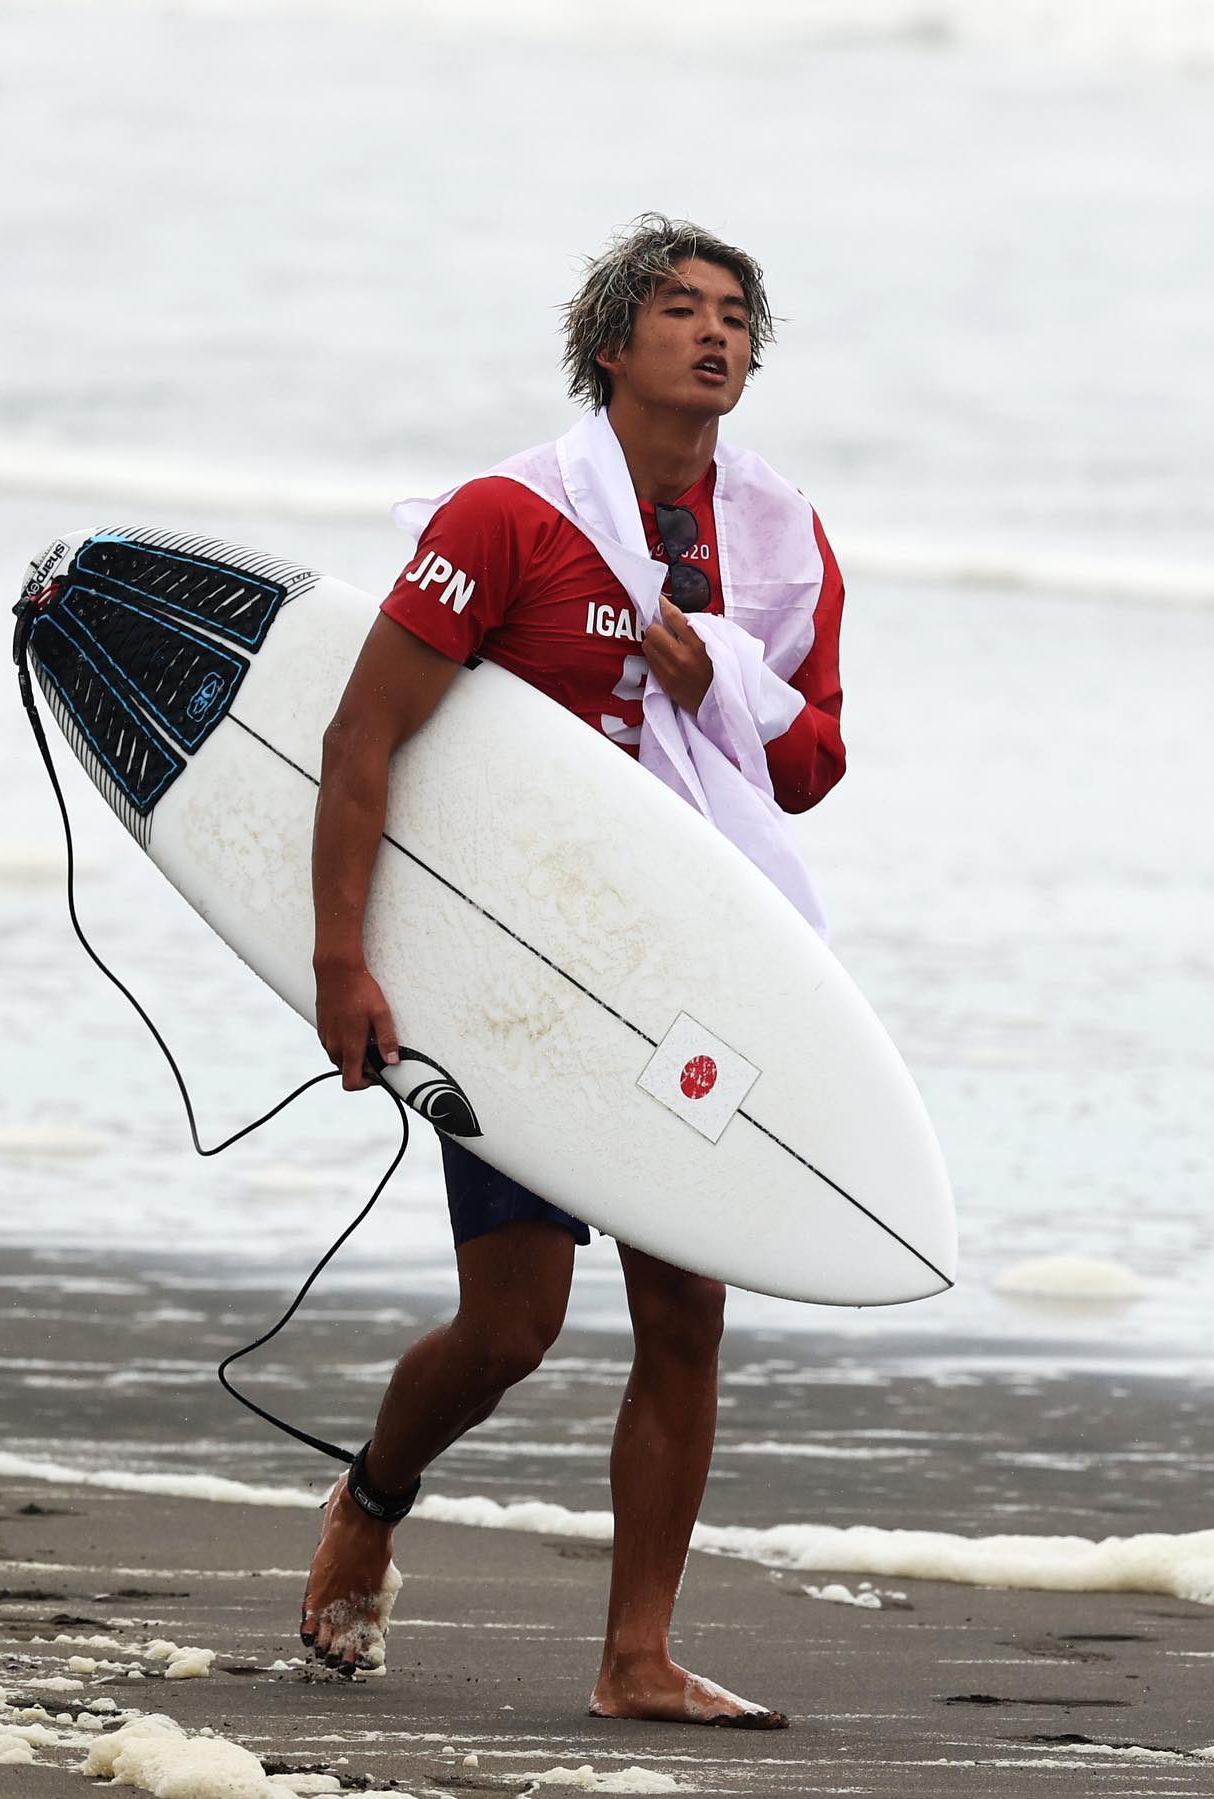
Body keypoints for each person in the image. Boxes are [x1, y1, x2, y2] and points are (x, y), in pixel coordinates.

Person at [301, 214, 846, 1728]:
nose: (716, 332)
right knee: (513, 1327)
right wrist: (342, 960)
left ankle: (635, 1660)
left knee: (688, 1314)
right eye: (680, 309)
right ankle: (376, 1493)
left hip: (686, 969)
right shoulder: (508, 520)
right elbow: (364, 738)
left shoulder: (783, 544)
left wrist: (716, 680)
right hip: (519, 977)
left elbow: (811, 766)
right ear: (612, 347)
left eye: (736, 313)